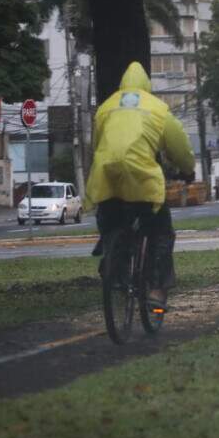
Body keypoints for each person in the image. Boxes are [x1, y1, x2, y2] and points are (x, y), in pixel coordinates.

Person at [85, 61, 196, 309]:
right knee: (161, 231)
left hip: (107, 175)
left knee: (112, 219)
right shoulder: (156, 108)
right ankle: (156, 290)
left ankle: (113, 259)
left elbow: (96, 146)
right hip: (141, 177)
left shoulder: (105, 107)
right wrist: (187, 169)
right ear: (147, 86)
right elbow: (179, 148)